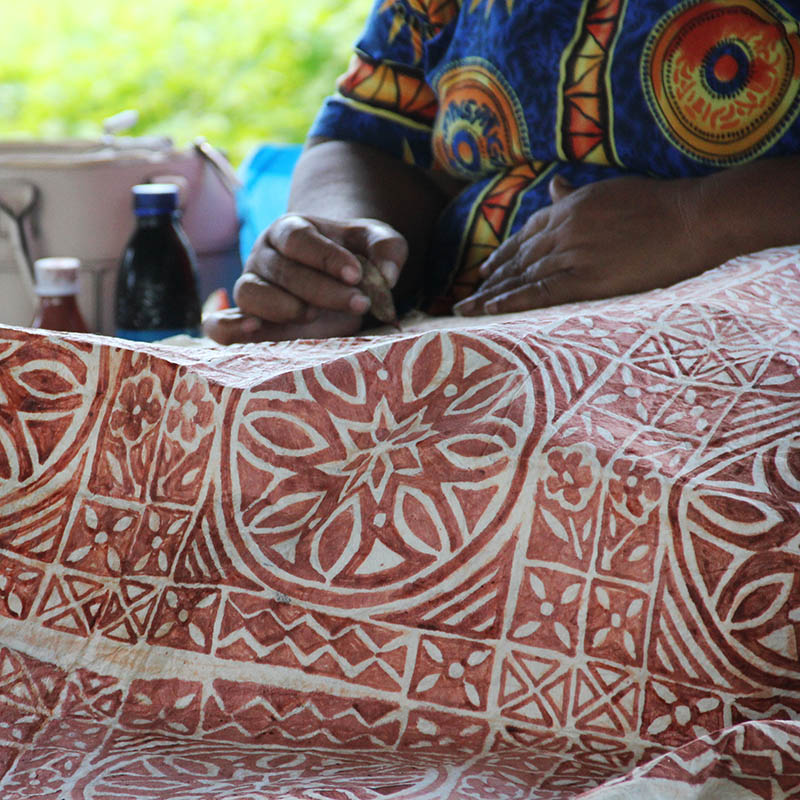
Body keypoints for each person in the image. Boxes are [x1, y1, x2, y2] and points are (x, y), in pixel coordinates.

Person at [205, 0, 800, 345]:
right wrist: (337, 258)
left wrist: (693, 221)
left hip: (728, 384)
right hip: (455, 378)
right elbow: (370, 138)